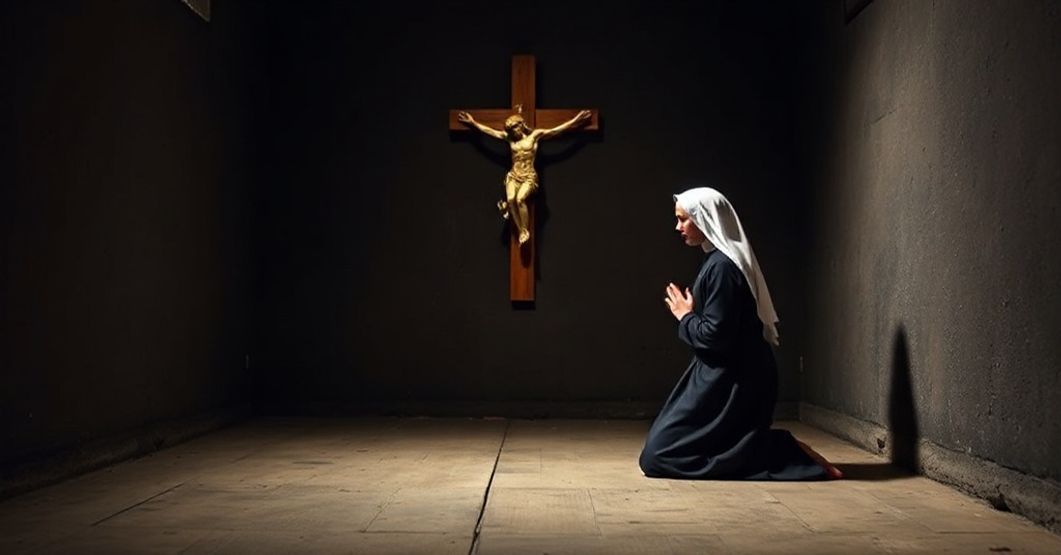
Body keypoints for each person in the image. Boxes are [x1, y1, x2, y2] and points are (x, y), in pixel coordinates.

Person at [639, 187, 842, 480]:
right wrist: (695, 315)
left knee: (659, 456)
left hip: (735, 381)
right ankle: (770, 446)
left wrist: (685, 316)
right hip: (723, 374)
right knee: (661, 453)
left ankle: (778, 449)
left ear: (704, 218)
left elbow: (715, 338)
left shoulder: (722, 268)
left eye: (684, 219)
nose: (678, 227)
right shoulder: (717, 262)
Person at [457, 107, 592, 245]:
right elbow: (490, 131)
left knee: (520, 199)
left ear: (521, 125)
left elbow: (556, 130)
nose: (513, 132)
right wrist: (473, 123)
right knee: (510, 200)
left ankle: (524, 229)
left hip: (528, 176)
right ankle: (522, 231)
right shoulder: (509, 139)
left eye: (515, 128)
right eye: (511, 130)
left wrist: (576, 120)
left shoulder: (535, 136)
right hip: (514, 175)